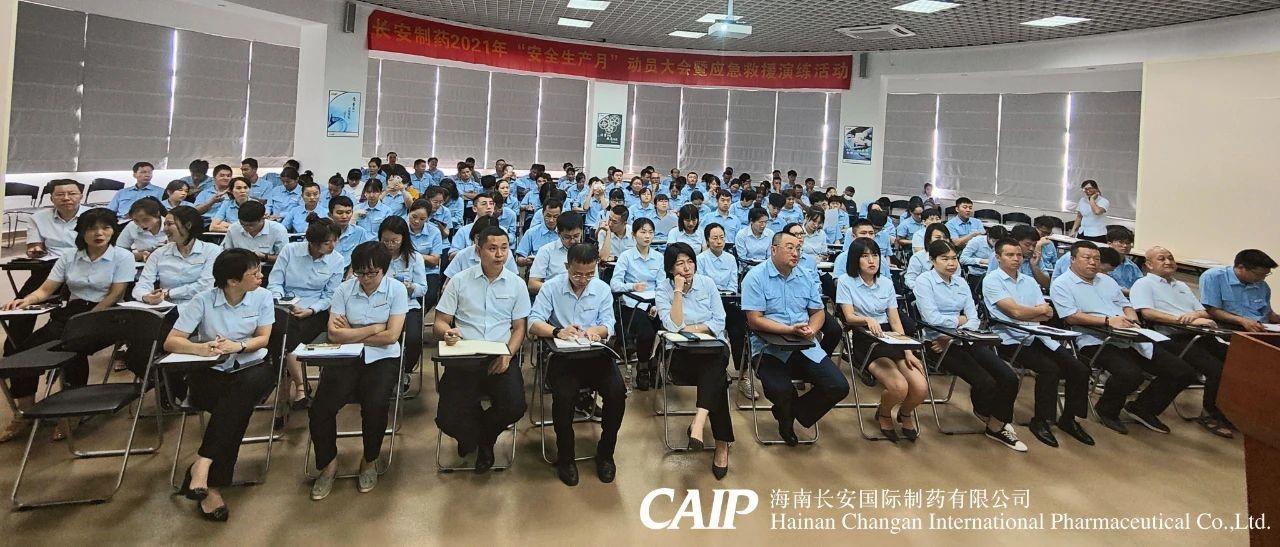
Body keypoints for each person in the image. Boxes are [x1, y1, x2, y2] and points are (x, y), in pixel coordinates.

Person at [0, 208, 138, 443]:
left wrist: (89, 319)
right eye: (92, 228)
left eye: (105, 228)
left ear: (113, 231)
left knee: (72, 349)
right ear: (81, 232)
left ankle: (72, 411)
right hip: (72, 313)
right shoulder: (69, 256)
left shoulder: (123, 256)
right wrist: (27, 300)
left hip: (107, 314)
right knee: (24, 351)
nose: (99, 233)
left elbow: (115, 294)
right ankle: (24, 411)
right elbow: (46, 289)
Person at [166, 249, 275, 521]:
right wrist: (200, 348)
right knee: (236, 407)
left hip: (251, 366)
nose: (261, 276)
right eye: (254, 273)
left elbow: (263, 338)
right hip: (211, 370)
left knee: (240, 394)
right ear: (233, 281)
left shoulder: (262, 297)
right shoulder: (203, 301)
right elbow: (172, 341)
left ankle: (203, 466)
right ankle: (210, 481)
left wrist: (239, 346)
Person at [1050, 241, 1198, 434]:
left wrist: (1132, 318)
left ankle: (1142, 408)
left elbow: (1126, 305)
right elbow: (1071, 316)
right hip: (1095, 340)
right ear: (1072, 259)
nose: (1093, 262)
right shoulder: (1062, 284)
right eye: (1087, 258)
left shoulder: (1107, 280)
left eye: (1096, 258)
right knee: (1130, 374)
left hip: (1130, 336)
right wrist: (1107, 321)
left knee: (1182, 372)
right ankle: (1107, 410)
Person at [309, 241, 409, 499]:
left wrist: (352, 332)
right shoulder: (344, 290)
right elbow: (333, 334)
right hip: (345, 356)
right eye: (360, 272)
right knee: (320, 408)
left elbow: (391, 337)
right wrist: (374, 328)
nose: (365, 278)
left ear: (384, 270)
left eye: (372, 273)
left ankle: (369, 459)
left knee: (375, 405)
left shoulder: (396, 290)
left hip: (383, 358)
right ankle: (328, 464)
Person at [912, 240, 1027, 451]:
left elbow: (974, 318)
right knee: (985, 381)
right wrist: (959, 321)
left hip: (963, 339)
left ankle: (996, 422)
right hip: (936, 344)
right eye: (944, 259)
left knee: (1009, 376)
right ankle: (992, 421)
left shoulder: (961, 282)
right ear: (932, 260)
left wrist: (955, 331)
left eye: (954, 258)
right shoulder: (924, 282)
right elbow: (931, 318)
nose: (951, 263)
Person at [433, 226, 530, 474]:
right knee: (446, 418)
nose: (499, 254)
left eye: (504, 248)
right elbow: (440, 321)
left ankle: (484, 439)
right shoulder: (459, 281)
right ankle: (473, 436)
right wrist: (447, 332)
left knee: (515, 406)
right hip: (464, 357)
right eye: (492, 248)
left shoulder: (517, 284)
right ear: (478, 251)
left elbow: (520, 328)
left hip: (500, 355)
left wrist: (508, 354)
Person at [528, 243, 626, 486]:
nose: (583, 280)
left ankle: (606, 453)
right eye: (577, 274)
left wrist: (596, 331)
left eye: (589, 274)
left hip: (595, 356)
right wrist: (557, 331)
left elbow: (609, 324)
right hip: (564, 358)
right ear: (567, 266)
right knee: (564, 398)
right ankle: (566, 457)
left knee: (617, 393)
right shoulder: (551, 288)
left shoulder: (601, 289)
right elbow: (533, 321)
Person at [741, 231, 850, 446]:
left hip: (804, 345)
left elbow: (818, 312)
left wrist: (812, 329)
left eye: (798, 248)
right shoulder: (755, 277)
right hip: (768, 347)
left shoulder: (805, 276)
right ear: (773, 250)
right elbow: (754, 320)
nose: (795, 253)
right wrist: (789, 329)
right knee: (781, 390)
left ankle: (791, 412)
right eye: (789, 248)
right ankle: (786, 417)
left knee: (838, 386)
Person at [983, 238, 1093, 448]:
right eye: (1010, 255)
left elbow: (1047, 312)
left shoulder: (1029, 281)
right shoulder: (992, 280)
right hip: (1010, 338)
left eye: (1018, 255)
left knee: (1079, 368)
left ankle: (1070, 419)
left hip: (1038, 335)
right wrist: (1034, 312)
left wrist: (1032, 313)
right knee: (1050, 369)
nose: (1016, 259)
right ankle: (1042, 420)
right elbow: (1015, 312)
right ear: (998, 257)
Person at [1131, 246, 1233, 437]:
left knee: (1236, 363)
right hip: (1170, 336)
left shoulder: (1181, 285)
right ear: (1149, 265)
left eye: (1170, 258)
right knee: (1216, 370)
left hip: (1198, 333)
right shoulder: (1144, 284)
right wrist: (1183, 320)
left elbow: (1203, 311)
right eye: (1161, 258)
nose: (1168, 262)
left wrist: (1195, 316)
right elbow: (1147, 313)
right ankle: (1210, 414)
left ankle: (1228, 411)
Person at [655, 242, 734, 478]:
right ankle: (720, 442)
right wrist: (678, 292)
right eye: (680, 264)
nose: (687, 268)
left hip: (712, 350)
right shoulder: (663, 289)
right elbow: (673, 326)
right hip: (681, 357)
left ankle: (700, 425)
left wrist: (691, 328)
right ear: (670, 269)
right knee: (717, 380)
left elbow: (719, 321)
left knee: (716, 361)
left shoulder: (707, 284)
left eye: (690, 262)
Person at [837, 237, 926, 442]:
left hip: (890, 336)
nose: (872, 260)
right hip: (865, 336)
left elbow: (894, 320)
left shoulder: (885, 282)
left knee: (920, 387)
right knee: (899, 387)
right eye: (865, 256)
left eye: (875, 255)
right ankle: (884, 413)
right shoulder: (845, 281)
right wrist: (867, 320)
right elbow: (849, 317)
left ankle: (905, 413)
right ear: (855, 260)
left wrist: (907, 350)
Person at [268, 219, 345, 413]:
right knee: (281, 329)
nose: (332, 246)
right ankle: (301, 385)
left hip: (314, 312)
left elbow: (330, 295)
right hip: (284, 307)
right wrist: (283, 302)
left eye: (335, 240)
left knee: (282, 338)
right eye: (327, 242)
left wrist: (310, 310)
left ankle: (287, 388)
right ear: (313, 242)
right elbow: (275, 282)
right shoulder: (290, 251)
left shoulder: (337, 260)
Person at [609, 218, 665, 390]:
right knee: (646, 332)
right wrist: (632, 286)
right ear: (634, 235)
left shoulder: (659, 257)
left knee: (666, 329)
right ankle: (643, 367)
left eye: (650, 232)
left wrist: (659, 302)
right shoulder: (626, 256)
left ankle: (655, 363)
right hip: (633, 305)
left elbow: (662, 285)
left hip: (655, 303)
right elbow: (614, 284)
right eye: (643, 232)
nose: (647, 236)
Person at [697, 223, 749, 396]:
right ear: (707, 240)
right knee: (712, 330)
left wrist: (726, 294)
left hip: (727, 302)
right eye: (714, 238)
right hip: (708, 306)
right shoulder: (701, 259)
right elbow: (702, 286)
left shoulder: (730, 258)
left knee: (739, 329)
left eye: (721, 237)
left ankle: (743, 375)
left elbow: (733, 285)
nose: (719, 241)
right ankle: (716, 370)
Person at [134, 206, 221, 305]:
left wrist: (169, 293)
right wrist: (146, 297)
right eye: (164, 224)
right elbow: (143, 284)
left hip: (199, 305)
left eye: (170, 224)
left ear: (188, 225)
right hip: (166, 306)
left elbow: (205, 286)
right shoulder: (159, 253)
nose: (165, 229)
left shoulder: (212, 251)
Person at [378, 216, 428, 374]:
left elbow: (423, 289)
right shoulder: (375, 256)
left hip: (408, 305)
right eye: (385, 241)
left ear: (404, 238)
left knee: (413, 339)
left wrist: (410, 287)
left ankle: (405, 371)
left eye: (395, 241)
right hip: (379, 305)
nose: (390, 245)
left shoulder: (414, 258)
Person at [1199, 249, 1279, 331]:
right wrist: (1242, 321)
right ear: (1241, 267)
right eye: (1259, 274)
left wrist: (1277, 318)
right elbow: (1212, 310)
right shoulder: (1214, 277)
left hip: (1260, 328)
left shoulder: (1262, 285)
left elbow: (1267, 313)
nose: (1262, 278)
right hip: (1229, 328)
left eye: (1266, 274)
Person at [528, 212, 589, 293]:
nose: (572, 241)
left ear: (582, 232)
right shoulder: (546, 251)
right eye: (567, 237)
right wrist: (560, 290)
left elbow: (595, 283)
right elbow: (532, 284)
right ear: (559, 234)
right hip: (553, 296)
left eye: (576, 236)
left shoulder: (588, 252)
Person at [443, 216, 518, 279]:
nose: (482, 242)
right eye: (479, 238)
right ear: (473, 236)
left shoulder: (506, 254)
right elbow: (447, 285)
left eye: (487, 239)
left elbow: (514, 280)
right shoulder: (462, 255)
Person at [406, 199, 444, 310]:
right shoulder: (401, 228)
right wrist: (424, 257)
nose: (417, 221)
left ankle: (417, 315)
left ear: (428, 218)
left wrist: (414, 255)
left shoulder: (434, 232)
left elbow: (434, 260)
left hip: (428, 271)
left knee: (430, 296)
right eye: (414, 216)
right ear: (409, 212)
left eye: (422, 219)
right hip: (405, 269)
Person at [221, 201, 287, 265]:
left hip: (268, 268)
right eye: (243, 224)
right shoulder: (234, 228)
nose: (246, 228)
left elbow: (284, 258)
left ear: (263, 218)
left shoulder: (278, 230)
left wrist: (265, 257)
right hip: (239, 268)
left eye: (251, 225)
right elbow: (225, 253)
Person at [115, 197, 167, 262]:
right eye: (136, 220)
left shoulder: (170, 225)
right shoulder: (132, 226)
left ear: (157, 214)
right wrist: (139, 256)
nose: (141, 224)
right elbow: (119, 251)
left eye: (146, 220)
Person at [327, 195, 374, 266]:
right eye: (339, 213)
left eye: (348, 212)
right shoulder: (323, 232)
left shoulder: (360, 232)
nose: (344, 216)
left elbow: (363, 255)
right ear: (330, 215)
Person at [515, 200, 563, 268]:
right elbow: (519, 259)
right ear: (543, 213)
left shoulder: (564, 233)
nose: (551, 220)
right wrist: (525, 261)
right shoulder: (531, 233)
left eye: (555, 217)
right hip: (536, 270)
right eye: (548, 216)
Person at [449, 192, 497, 257]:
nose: (489, 207)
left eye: (491, 204)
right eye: (484, 204)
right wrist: (472, 250)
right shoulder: (464, 231)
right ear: (474, 208)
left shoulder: (502, 230)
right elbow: (451, 256)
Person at [1009, 225, 1053, 290]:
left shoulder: (1034, 257)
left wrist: (1034, 266)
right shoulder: (1002, 257)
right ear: (1014, 242)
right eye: (1027, 245)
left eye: (1034, 245)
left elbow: (1047, 285)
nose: (1031, 249)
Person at [1105, 226, 1142, 292]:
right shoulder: (1103, 262)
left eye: (1128, 243)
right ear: (1110, 244)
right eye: (1121, 242)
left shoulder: (1132, 266)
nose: (1125, 246)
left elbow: (1140, 284)